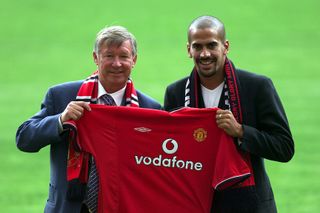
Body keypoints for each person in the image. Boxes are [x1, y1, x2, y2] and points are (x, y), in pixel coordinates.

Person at [16, 25, 161, 213]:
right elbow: (24, 139)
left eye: (123, 56)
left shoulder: (149, 109)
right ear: (96, 58)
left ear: (134, 60)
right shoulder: (62, 96)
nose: (116, 63)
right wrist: (60, 120)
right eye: (109, 56)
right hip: (68, 207)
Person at [164, 15, 294, 213]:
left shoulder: (257, 87)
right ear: (188, 50)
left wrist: (241, 132)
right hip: (197, 204)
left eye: (212, 45)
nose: (205, 53)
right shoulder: (176, 93)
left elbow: (284, 147)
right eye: (197, 46)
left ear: (225, 46)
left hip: (251, 205)